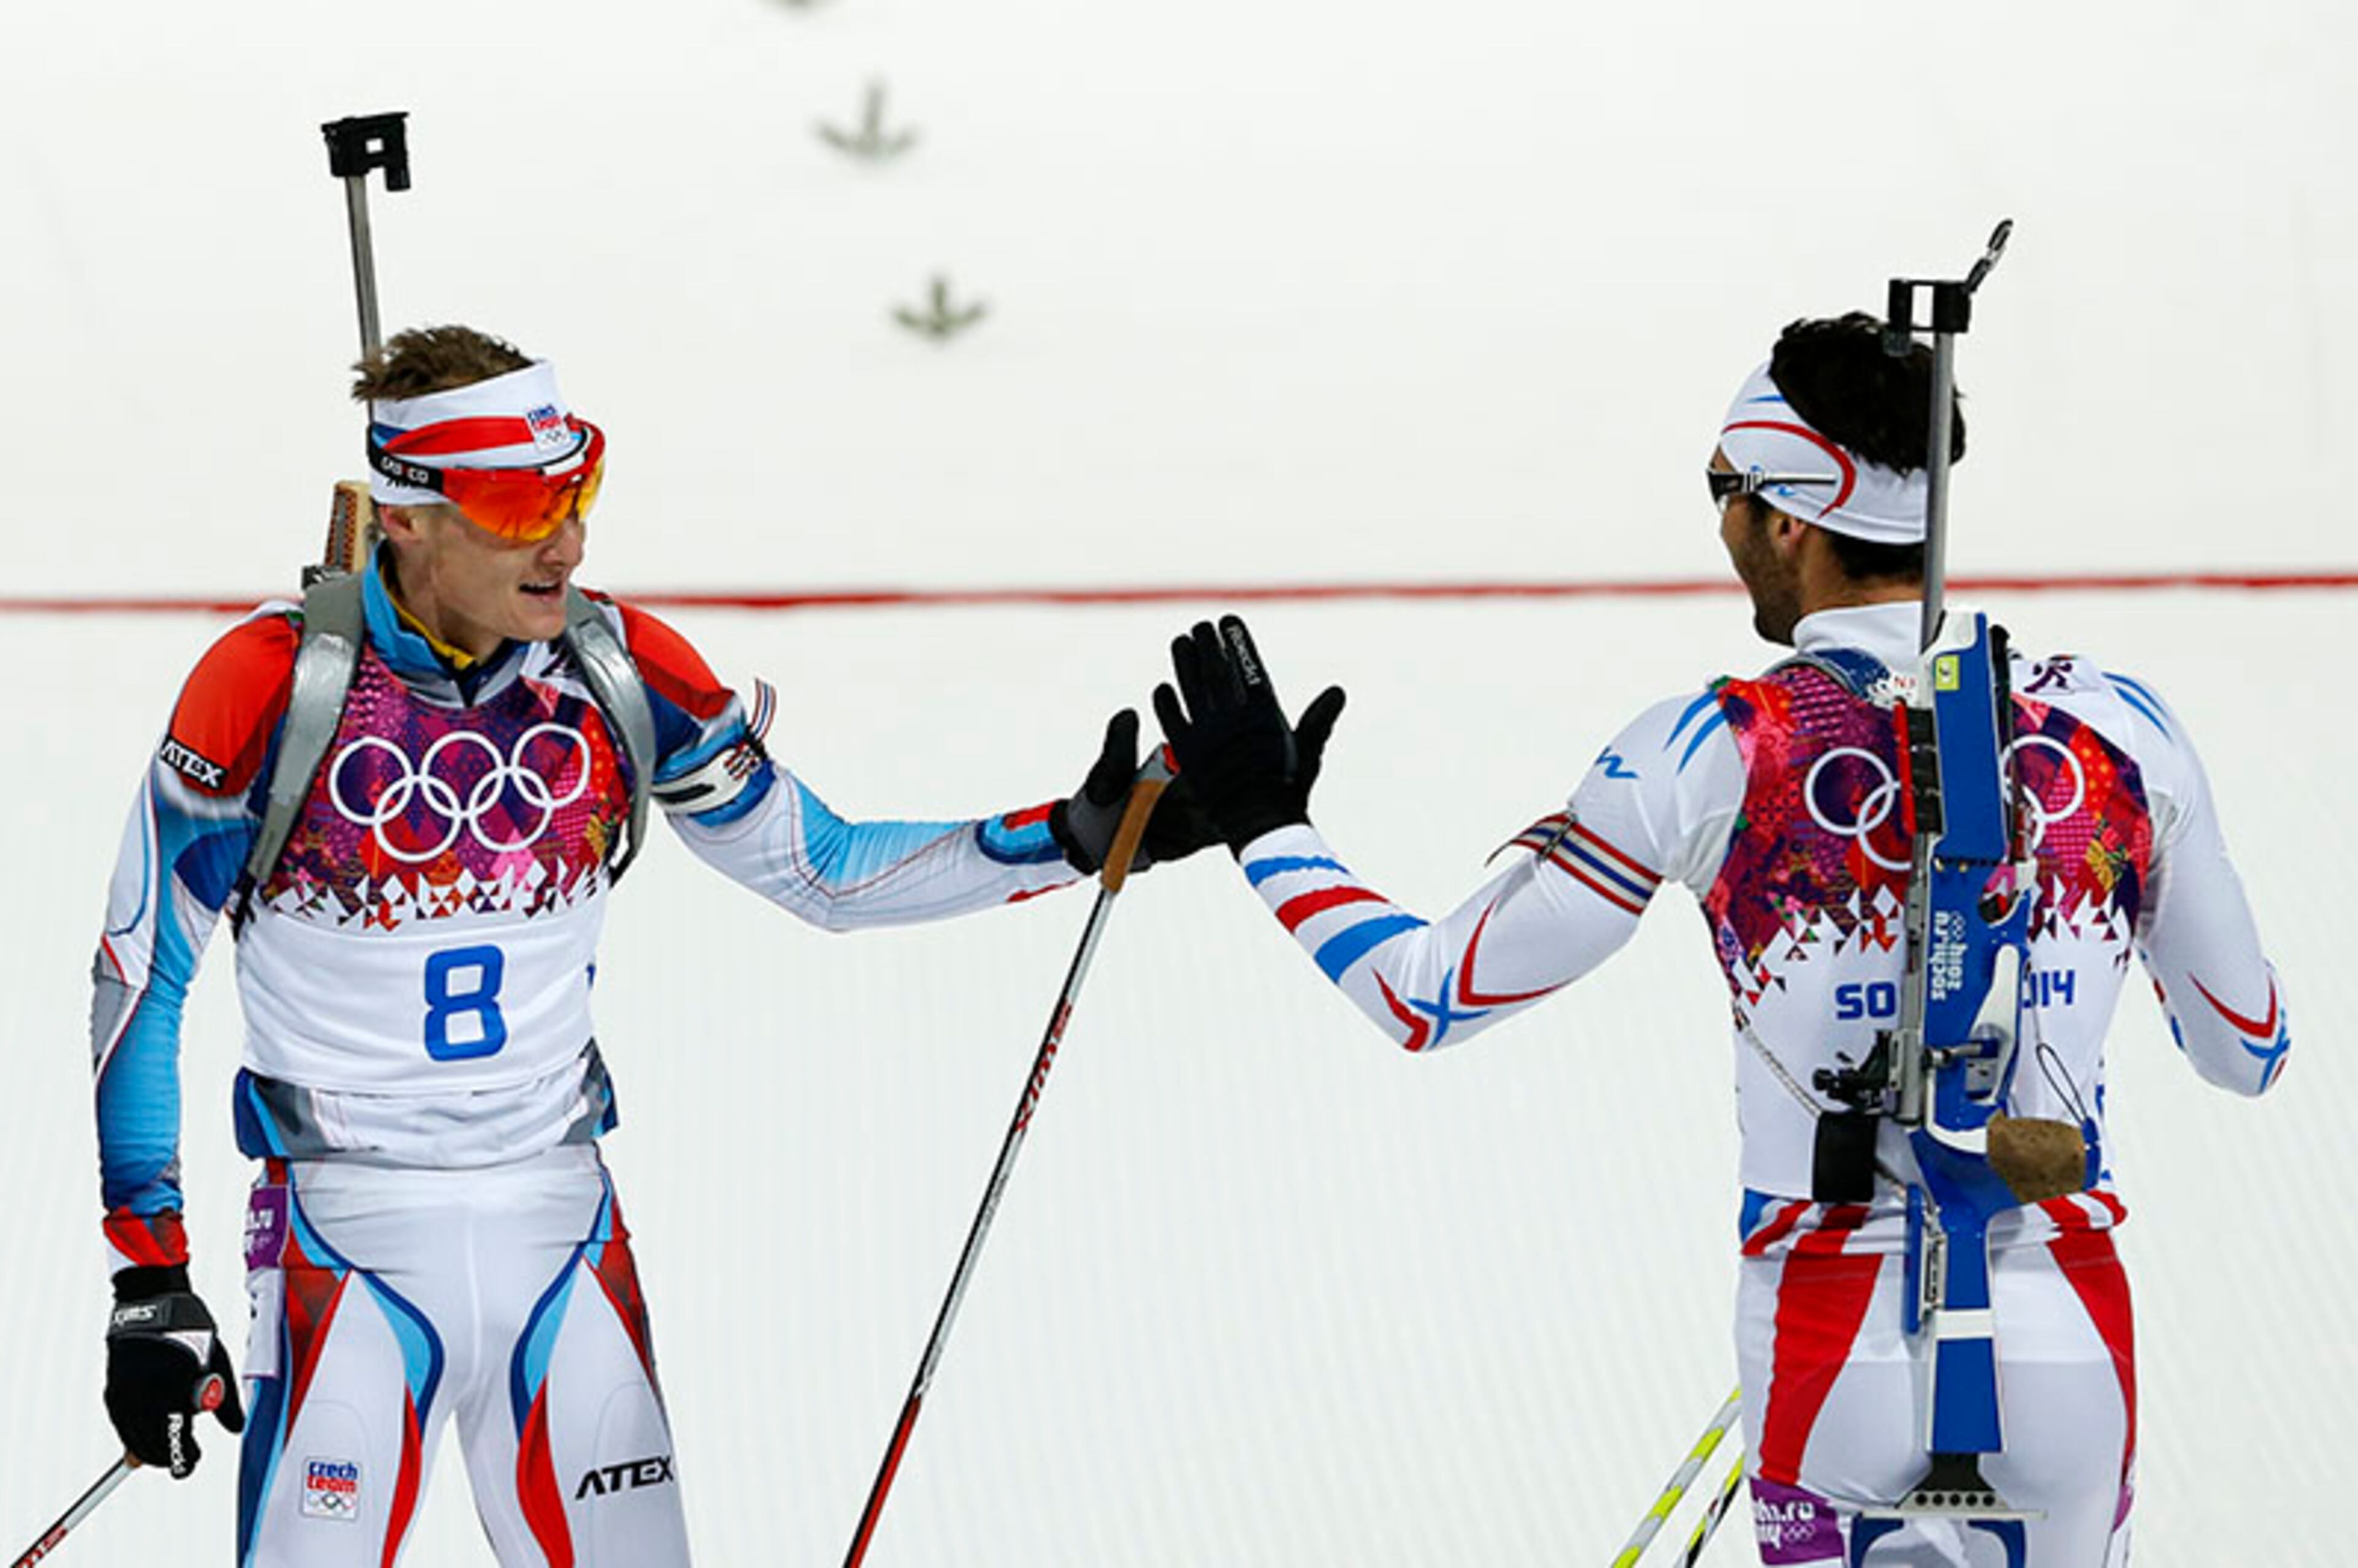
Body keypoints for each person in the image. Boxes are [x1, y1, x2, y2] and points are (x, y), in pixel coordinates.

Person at [1152, 313, 2289, 1564]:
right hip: (2067, 1331)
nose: (1721, 526)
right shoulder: (2119, 727)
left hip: (1828, 1336)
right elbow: (2248, 1046)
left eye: (1724, 491)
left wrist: (1265, 820)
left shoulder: (1716, 745)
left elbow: (1425, 994)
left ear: (1790, 515)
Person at [88, 324, 1202, 1566]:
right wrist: (150, 1279)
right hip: (341, 1232)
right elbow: (142, 975)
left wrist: (1078, 833)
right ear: (406, 515)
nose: (566, 542)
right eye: (519, 504)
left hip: (562, 1224)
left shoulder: (618, 668)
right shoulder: (268, 685)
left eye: (579, 491)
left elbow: (821, 869)